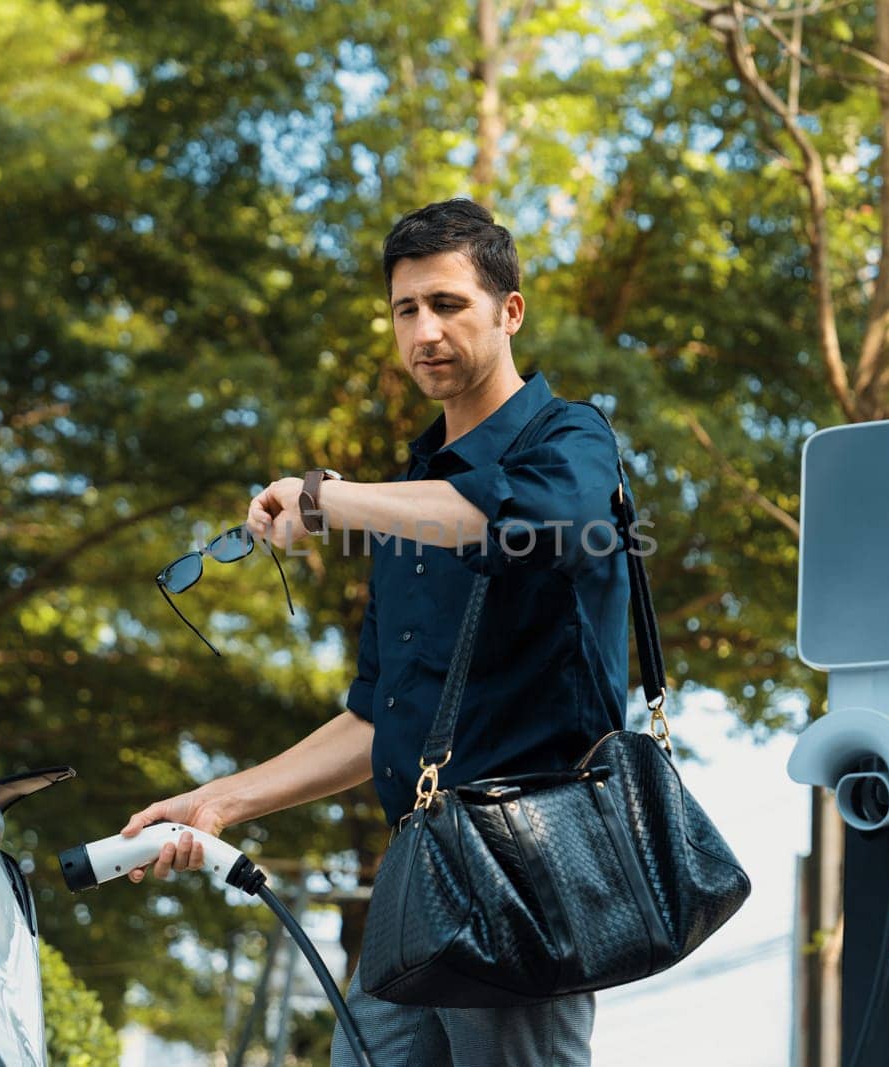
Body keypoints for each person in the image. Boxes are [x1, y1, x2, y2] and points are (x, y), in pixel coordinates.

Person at [120, 198, 632, 1065]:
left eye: (448, 304)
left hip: (527, 875)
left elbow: (541, 519)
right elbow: (376, 716)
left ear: (509, 311)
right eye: (406, 310)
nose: (424, 330)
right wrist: (220, 803)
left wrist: (327, 499)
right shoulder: (406, 500)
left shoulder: (569, 438)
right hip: (417, 878)